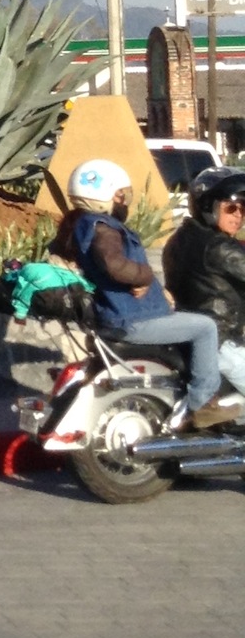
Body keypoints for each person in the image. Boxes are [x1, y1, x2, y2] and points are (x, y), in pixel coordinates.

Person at [52, 157, 224, 432]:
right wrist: (143, 276)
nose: (125, 201)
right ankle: (202, 405)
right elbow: (114, 264)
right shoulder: (104, 229)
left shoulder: (80, 226)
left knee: (188, 324)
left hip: (121, 316)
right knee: (205, 327)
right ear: (104, 196)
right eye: (121, 195)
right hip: (131, 319)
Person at [162, 165, 245, 407]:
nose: (238, 215)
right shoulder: (218, 246)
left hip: (191, 332)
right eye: (230, 207)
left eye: (242, 208)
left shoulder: (179, 238)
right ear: (208, 207)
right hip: (221, 338)